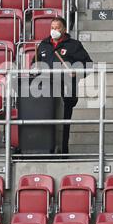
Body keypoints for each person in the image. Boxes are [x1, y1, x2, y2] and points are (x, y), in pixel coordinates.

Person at [33, 17, 93, 154]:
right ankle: (47, 152)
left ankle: (63, 153)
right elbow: (34, 64)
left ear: (64, 29)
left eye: (57, 27)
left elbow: (88, 65)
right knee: (47, 123)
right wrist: (35, 69)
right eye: (52, 27)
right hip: (46, 93)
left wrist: (76, 72)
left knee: (64, 123)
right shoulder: (43, 45)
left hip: (66, 91)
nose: (54, 30)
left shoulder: (74, 45)